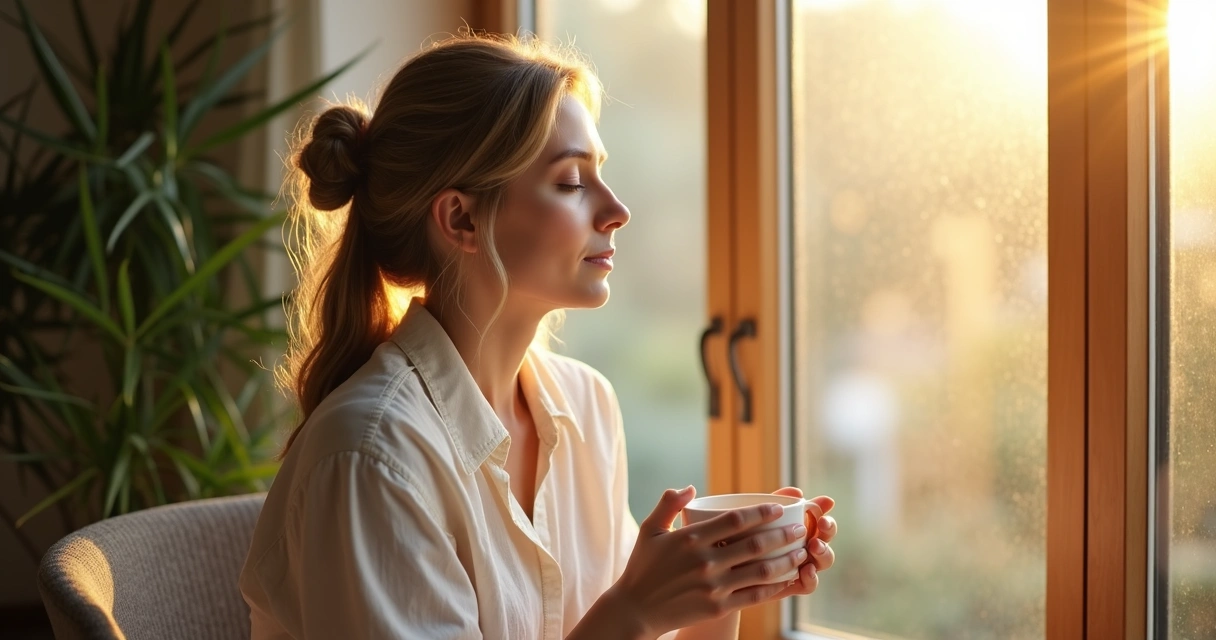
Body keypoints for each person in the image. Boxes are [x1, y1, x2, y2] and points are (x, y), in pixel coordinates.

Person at [238, 33, 837, 640]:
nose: (617, 209)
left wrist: (717, 586)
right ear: (462, 219)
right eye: (572, 183)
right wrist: (634, 611)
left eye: (599, 174)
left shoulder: (586, 407)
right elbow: (624, 620)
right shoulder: (371, 459)